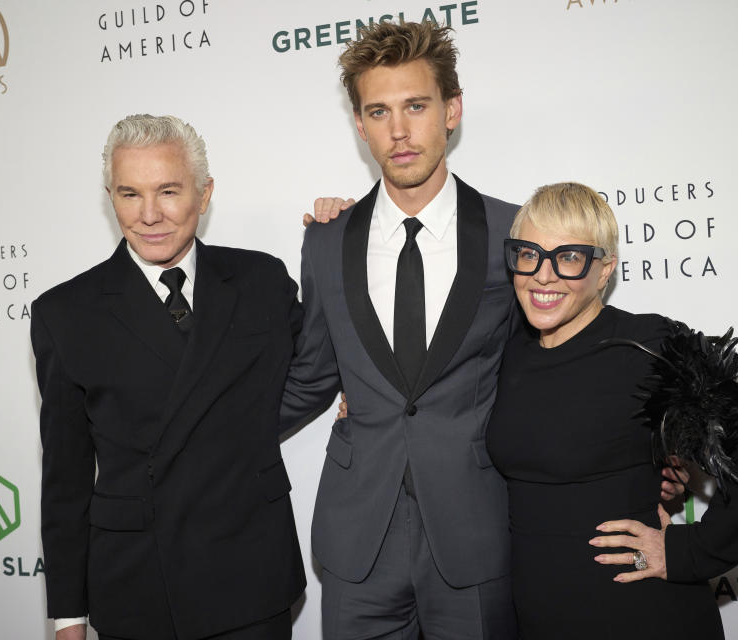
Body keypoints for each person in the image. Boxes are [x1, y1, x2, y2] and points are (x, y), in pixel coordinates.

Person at [282, 21, 685, 639]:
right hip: (357, 536)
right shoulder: (326, 242)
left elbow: (568, 360)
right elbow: (310, 375)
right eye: (379, 111)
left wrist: (661, 451)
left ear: (452, 110)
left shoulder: (515, 238)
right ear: (359, 125)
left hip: (477, 531)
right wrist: (200, 436)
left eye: (416, 106)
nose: (399, 130)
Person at [486, 182, 738, 638]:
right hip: (536, 612)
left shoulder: (647, 346)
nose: (544, 274)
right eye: (529, 253)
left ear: (604, 269)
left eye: (570, 257)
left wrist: (689, 552)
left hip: (637, 611)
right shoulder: (509, 349)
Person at [31, 114, 305, 640]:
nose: (149, 214)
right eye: (130, 193)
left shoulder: (262, 281)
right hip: (138, 584)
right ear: (110, 196)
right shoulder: (65, 313)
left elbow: (326, 357)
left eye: (169, 191)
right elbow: (64, 480)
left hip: (250, 574)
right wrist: (67, 614)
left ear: (205, 194)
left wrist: (340, 236)